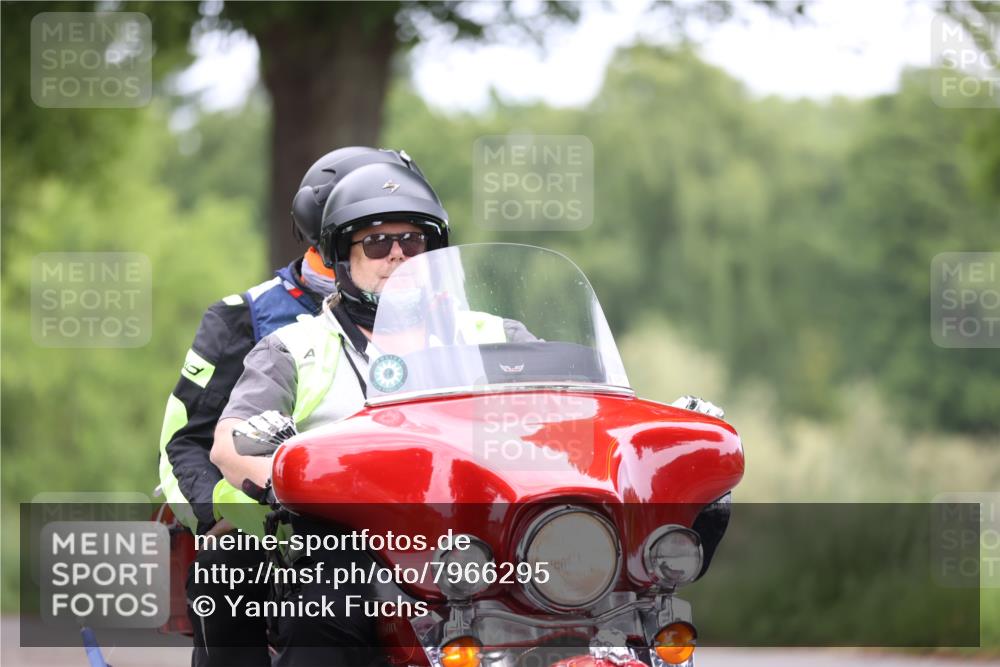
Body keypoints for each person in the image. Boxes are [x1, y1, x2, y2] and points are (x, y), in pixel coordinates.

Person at [157, 146, 428, 667]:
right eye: (373, 237)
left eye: (409, 237)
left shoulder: (441, 317)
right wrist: (235, 514)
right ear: (331, 233)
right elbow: (183, 443)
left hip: (411, 517)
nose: (395, 253)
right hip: (280, 517)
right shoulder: (248, 317)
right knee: (225, 565)